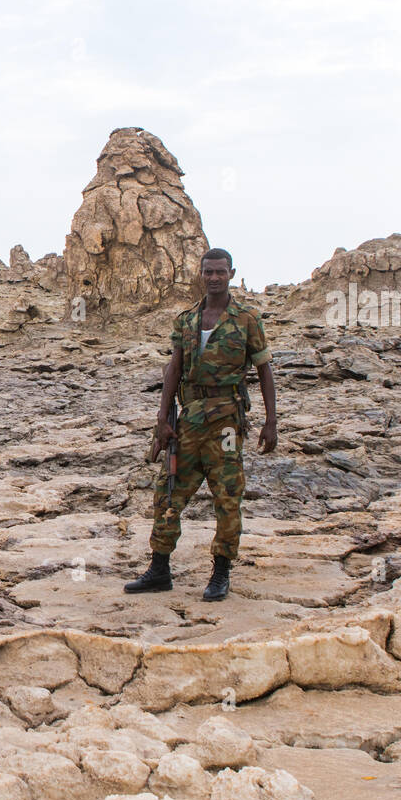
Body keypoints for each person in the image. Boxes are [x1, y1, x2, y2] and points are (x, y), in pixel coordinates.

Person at [124, 248, 277, 600]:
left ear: (231, 273)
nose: (213, 278)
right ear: (201, 274)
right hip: (188, 420)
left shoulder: (247, 319)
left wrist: (271, 421)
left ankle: (221, 573)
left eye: (220, 272)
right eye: (208, 272)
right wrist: (162, 419)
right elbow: (173, 369)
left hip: (225, 423)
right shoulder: (187, 319)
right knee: (169, 490)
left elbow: (264, 369)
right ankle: (159, 569)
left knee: (227, 496)